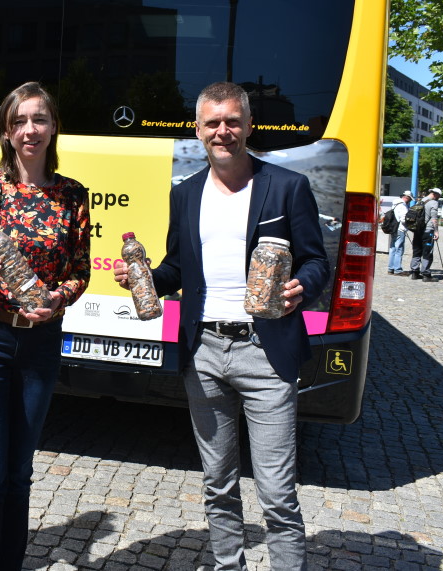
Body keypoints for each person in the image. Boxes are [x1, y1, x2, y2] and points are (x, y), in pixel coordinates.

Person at [115, 81, 329, 570]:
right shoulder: (185, 193)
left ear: (249, 126)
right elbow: (176, 267)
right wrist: (143, 275)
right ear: (198, 130)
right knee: (218, 483)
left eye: (233, 121)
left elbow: (317, 261)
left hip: (266, 351)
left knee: (276, 491)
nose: (223, 131)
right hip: (204, 351)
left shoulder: (285, 186)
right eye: (213, 122)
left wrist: (303, 285)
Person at [0, 81, 91, 569]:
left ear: (53, 127)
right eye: (19, 122)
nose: (29, 130)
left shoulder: (72, 195)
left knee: (19, 473)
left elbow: (80, 271)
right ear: (6, 132)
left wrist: (58, 299)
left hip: (40, 343)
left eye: (39, 119)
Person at [409, 188, 441, 281]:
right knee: (427, 252)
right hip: (428, 230)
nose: (438, 198)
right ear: (435, 194)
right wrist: (436, 231)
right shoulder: (433, 203)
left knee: (417, 251)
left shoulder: (420, 201)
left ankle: (414, 272)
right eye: (439, 196)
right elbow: (434, 219)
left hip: (418, 230)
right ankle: (426, 274)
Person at [387, 190, 413, 275]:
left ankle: (390, 268)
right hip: (400, 229)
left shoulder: (395, 204)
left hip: (393, 228)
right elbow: (403, 219)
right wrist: (409, 225)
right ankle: (397, 269)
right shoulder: (402, 206)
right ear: (407, 197)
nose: (410, 201)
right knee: (399, 249)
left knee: (392, 248)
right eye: (410, 199)